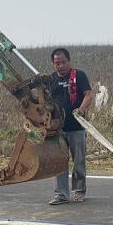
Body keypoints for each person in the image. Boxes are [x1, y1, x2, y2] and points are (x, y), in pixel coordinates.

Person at [48, 47, 93, 205]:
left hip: (76, 128)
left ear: (69, 61)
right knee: (59, 162)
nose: (60, 66)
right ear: (53, 64)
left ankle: (79, 192)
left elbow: (88, 94)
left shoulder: (78, 75)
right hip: (58, 129)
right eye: (57, 63)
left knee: (78, 161)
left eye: (63, 62)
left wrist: (81, 109)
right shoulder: (51, 79)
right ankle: (61, 194)